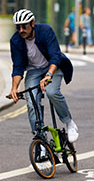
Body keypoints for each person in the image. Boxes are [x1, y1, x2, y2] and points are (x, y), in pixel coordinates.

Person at [8, 9, 79, 143]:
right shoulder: (15, 40)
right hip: (34, 71)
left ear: (32, 24)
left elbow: (55, 56)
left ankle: (69, 123)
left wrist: (48, 76)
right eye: (18, 27)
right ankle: (40, 139)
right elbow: (18, 66)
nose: (21, 30)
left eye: (24, 26)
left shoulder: (46, 31)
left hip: (52, 68)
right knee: (31, 102)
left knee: (52, 92)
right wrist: (14, 88)